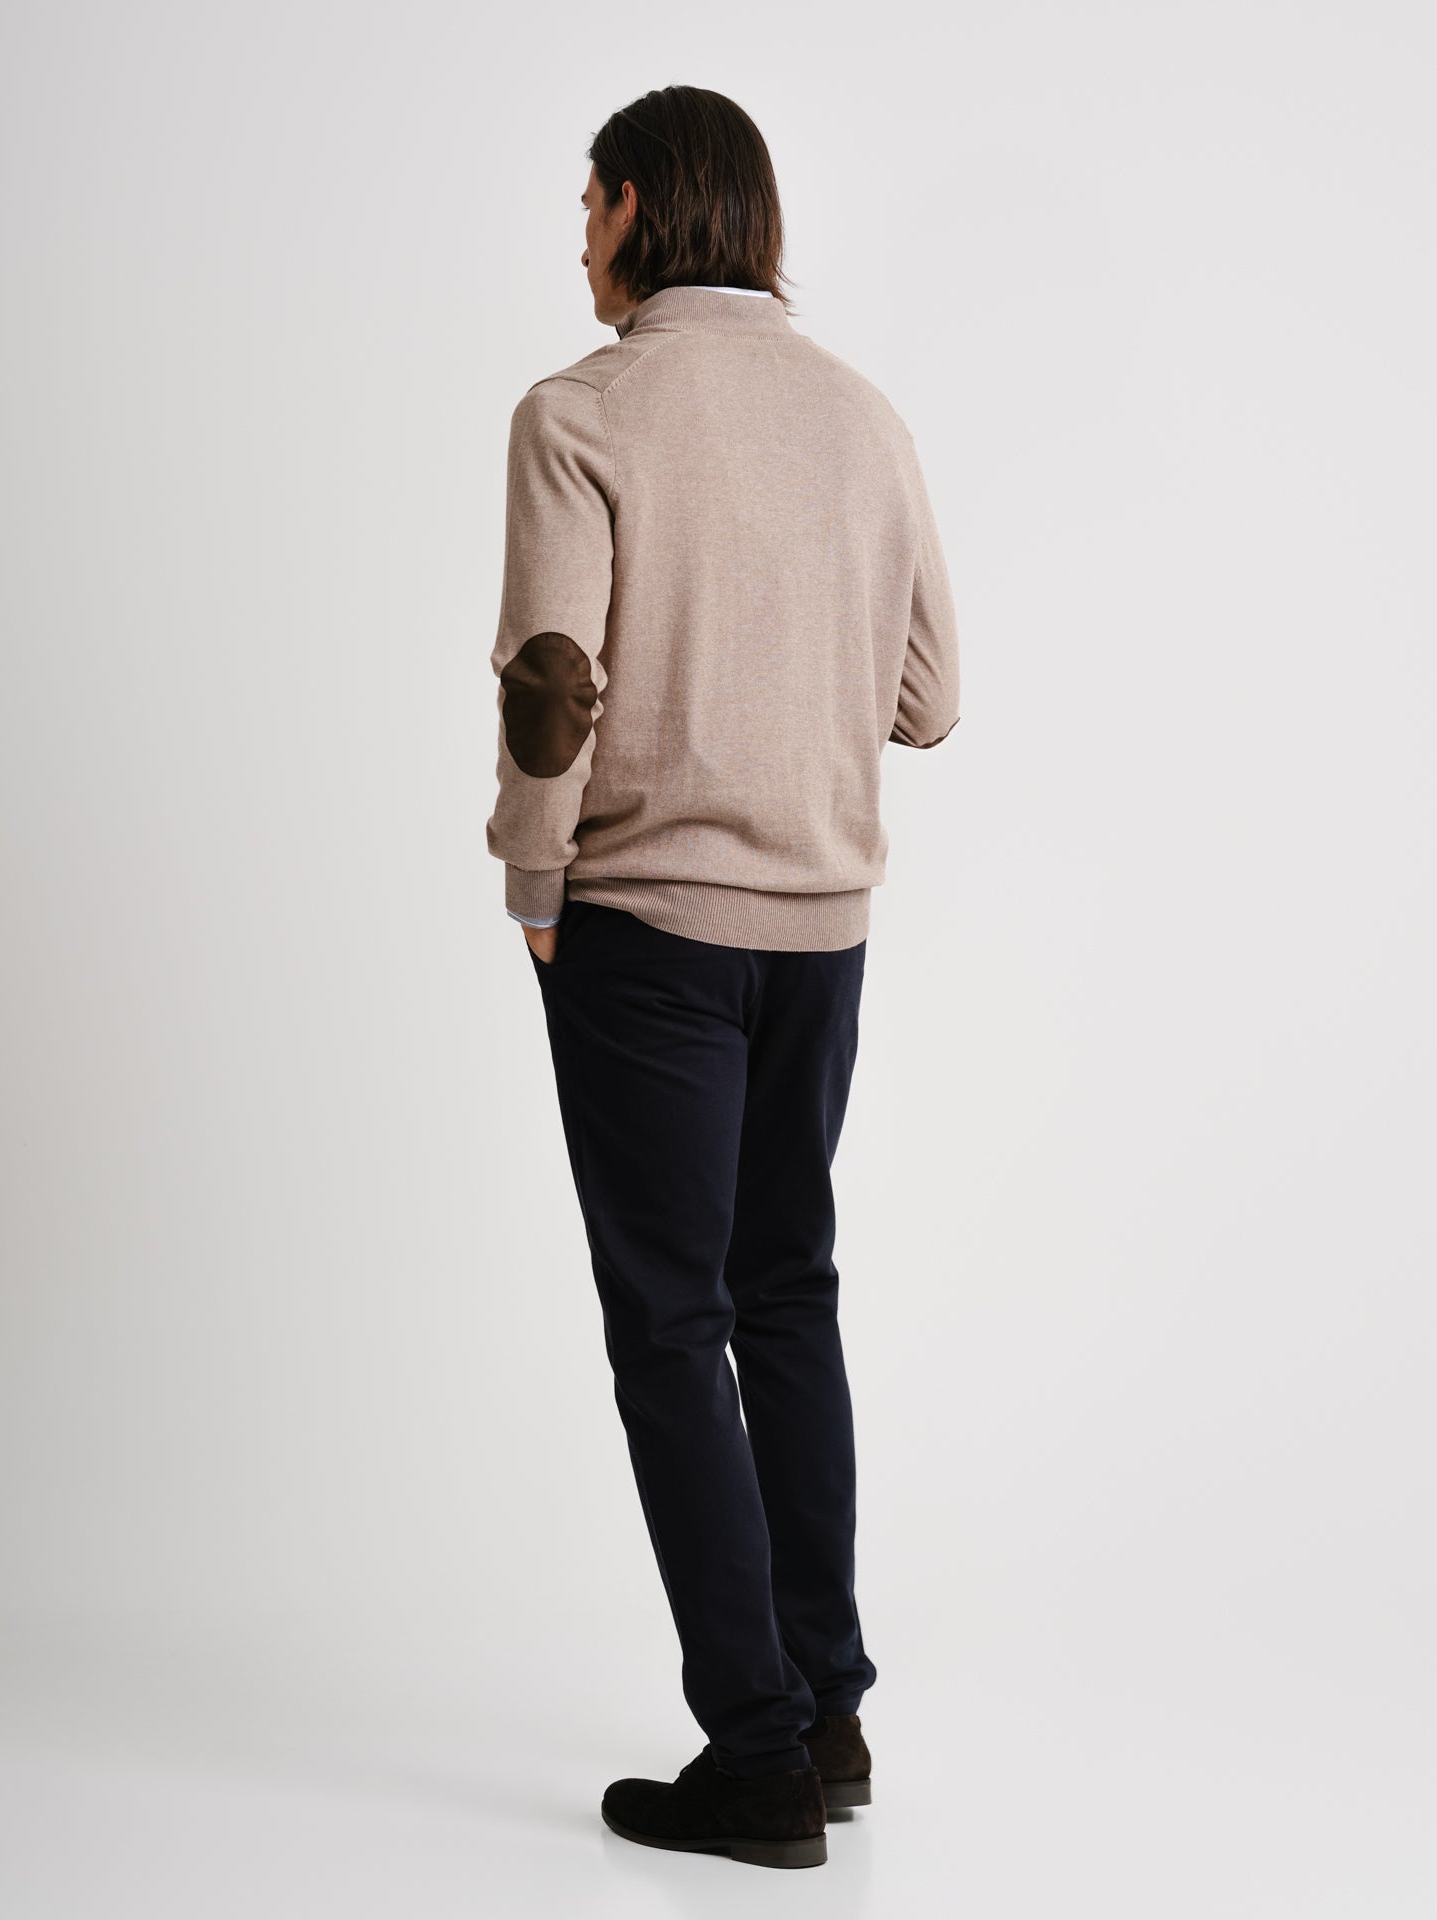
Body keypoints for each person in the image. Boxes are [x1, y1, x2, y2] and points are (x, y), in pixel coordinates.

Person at [485, 84, 960, 1870]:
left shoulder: (582, 413)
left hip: (650, 935)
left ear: (634, 206)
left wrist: (537, 877)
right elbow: (931, 697)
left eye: (585, 205)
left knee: (673, 1327)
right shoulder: (862, 414)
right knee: (787, 1296)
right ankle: (827, 1712)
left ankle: (754, 1759)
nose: (577, 241)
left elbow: (553, 675)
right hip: (823, 933)